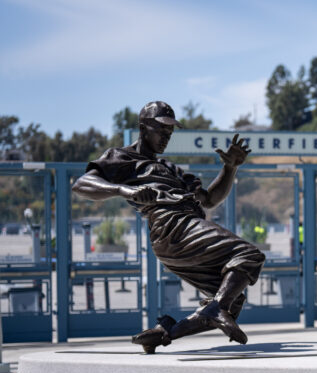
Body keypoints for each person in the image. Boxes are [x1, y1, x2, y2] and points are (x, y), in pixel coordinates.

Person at [72, 101, 265, 353]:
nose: (166, 137)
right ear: (143, 128)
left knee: (233, 300)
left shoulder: (171, 169)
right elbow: (81, 184)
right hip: (172, 225)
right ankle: (215, 309)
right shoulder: (123, 157)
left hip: (185, 228)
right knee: (248, 255)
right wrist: (124, 190)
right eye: (161, 131)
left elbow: (209, 199)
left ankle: (165, 332)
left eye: (170, 133)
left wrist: (230, 168)